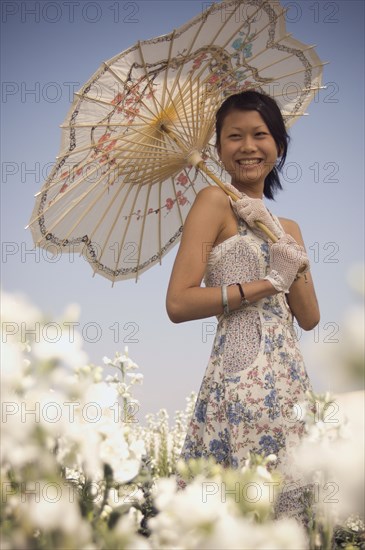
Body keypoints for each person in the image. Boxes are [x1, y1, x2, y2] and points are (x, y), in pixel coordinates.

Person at [166, 90, 320, 519]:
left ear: (279, 146)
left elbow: (308, 317)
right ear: (218, 148)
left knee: (290, 514)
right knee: (241, 510)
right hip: (239, 378)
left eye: (261, 134)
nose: (248, 146)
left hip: (290, 383)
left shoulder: (287, 226)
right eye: (234, 136)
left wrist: (277, 234)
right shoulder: (213, 203)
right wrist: (268, 282)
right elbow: (178, 302)